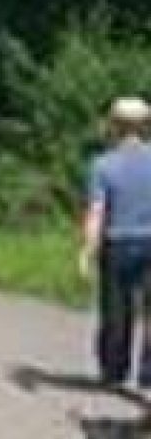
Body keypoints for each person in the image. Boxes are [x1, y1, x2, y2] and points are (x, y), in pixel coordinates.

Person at [80, 95, 151, 388]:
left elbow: (97, 211)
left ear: (114, 127)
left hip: (117, 243)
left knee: (115, 311)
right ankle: (148, 375)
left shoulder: (103, 165)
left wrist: (88, 249)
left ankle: (114, 370)